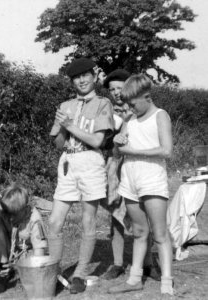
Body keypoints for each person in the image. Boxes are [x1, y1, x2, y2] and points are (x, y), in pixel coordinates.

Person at [48, 57, 114, 294]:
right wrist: (62, 127)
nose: (82, 80)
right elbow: (58, 143)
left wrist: (71, 125)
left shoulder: (103, 103)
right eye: (77, 77)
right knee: (54, 221)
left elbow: (97, 140)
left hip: (90, 161)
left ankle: (80, 273)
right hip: (67, 161)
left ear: (95, 76)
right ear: (72, 81)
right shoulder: (65, 105)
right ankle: (53, 272)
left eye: (86, 75)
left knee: (88, 220)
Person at [108, 74, 174, 298]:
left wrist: (132, 152)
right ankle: (135, 279)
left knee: (160, 234)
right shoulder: (130, 120)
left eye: (133, 103)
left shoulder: (160, 116)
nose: (130, 108)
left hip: (152, 180)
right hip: (130, 181)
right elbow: (118, 152)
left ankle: (167, 281)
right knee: (138, 232)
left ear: (146, 96)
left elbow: (166, 150)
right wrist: (117, 145)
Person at [102, 70, 160, 281]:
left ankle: (148, 264)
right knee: (116, 213)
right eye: (112, 89)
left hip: (139, 165)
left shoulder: (140, 109)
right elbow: (104, 140)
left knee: (144, 212)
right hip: (115, 164)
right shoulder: (106, 110)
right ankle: (118, 263)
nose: (117, 93)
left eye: (120, 88)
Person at [0, 184, 48, 273]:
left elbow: (39, 258)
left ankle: (12, 268)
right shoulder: (2, 206)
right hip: (11, 251)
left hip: (27, 256)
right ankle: (4, 266)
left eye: (14, 214)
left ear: (24, 209)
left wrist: (16, 266)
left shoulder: (35, 220)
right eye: (6, 213)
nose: (10, 218)